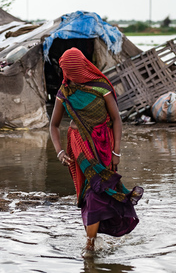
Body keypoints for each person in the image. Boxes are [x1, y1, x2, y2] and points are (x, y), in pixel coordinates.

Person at [49, 47, 143, 254]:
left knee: (101, 189)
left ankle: (92, 241)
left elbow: (117, 119)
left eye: (76, 71)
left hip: (103, 144)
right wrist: (59, 151)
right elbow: (53, 125)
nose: (75, 76)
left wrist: (116, 151)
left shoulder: (101, 87)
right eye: (70, 72)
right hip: (79, 145)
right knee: (90, 190)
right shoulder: (65, 92)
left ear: (83, 67)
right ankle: (90, 244)